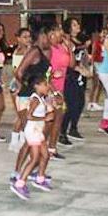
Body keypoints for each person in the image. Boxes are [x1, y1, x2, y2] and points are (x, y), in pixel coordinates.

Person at [11, 26, 53, 182]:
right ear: (42, 35)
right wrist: (29, 86)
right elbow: (19, 72)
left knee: (37, 138)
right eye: (49, 34)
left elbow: (45, 78)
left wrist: (51, 93)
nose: (51, 38)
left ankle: (33, 170)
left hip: (37, 97)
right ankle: (17, 172)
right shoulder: (34, 51)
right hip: (27, 98)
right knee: (29, 140)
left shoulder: (43, 52)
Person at [10, 75, 54, 200]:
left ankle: (40, 178)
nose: (47, 87)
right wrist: (45, 118)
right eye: (45, 85)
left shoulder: (42, 99)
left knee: (45, 155)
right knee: (34, 158)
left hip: (38, 130)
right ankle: (19, 183)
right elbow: (29, 116)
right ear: (37, 86)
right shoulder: (35, 99)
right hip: (33, 130)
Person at [60, 18, 90, 143]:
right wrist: (78, 68)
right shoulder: (66, 41)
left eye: (77, 24)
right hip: (70, 75)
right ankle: (62, 132)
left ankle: (73, 128)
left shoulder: (80, 40)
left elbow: (84, 55)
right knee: (71, 105)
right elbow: (67, 59)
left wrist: (86, 65)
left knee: (80, 102)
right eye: (74, 25)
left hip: (80, 74)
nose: (77, 26)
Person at [47, 23, 72, 157]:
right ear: (51, 34)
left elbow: (71, 65)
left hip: (60, 87)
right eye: (59, 32)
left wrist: (69, 49)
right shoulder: (48, 49)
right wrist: (54, 91)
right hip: (51, 89)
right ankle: (43, 147)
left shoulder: (62, 47)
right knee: (50, 119)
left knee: (58, 118)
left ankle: (52, 148)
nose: (61, 34)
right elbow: (43, 71)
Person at [8, 28, 32, 152]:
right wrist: (20, 86)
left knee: (24, 116)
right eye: (25, 37)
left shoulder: (27, 50)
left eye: (29, 36)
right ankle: (14, 141)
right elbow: (17, 71)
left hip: (23, 84)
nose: (28, 39)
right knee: (21, 115)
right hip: (19, 85)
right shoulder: (21, 52)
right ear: (18, 38)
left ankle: (21, 139)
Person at [87, 29, 106, 111]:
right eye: (103, 33)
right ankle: (91, 103)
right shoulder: (96, 43)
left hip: (103, 65)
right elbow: (93, 54)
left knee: (101, 84)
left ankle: (95, 102)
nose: (105, 35)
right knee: (96, 84)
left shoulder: (105, 43)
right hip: (97, 64)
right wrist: (92, 66)